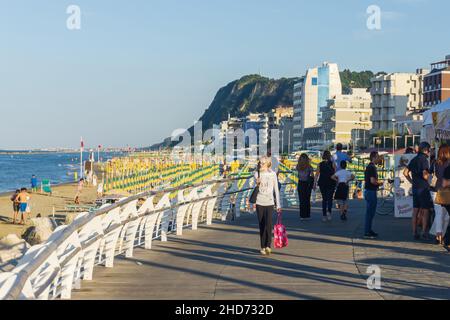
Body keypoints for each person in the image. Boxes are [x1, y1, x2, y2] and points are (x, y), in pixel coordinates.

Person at [403, 142, 433, 240]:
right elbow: (425, 175)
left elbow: (405, 172)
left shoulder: (414, 159)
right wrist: (430, 177)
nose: (429, 152)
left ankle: (414, 232)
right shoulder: (424, 160)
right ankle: (424, 232)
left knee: (415, 211)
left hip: (415, 188)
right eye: (429, 150)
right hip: (423, 188)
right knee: (425, 211)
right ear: (425, 150)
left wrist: (411, 181)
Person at [254, 156, 281, 256]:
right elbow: (255, 184)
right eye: (260, 162)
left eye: (263, 163)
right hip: (259, 201)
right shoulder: (257, 173)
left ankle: (268, 245)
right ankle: (262, 246)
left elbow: (276, 190)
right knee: (261, 224)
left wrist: (278, 204)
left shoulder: (273, 174)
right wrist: (257, 182)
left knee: (268, 224)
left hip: (269, 202)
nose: (261, 164)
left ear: (268, 163)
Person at [431, 144, 450, 245]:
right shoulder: (448, 163)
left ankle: (439, 234)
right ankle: (440, 235)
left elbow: (429, 174)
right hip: (444, 190)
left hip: (436, 189)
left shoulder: (435, 162)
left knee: (441, 214)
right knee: (444, 215)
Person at [364, 151, 383, 239]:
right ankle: (367, 231)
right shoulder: (372, 167)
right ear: (374, 157)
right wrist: (379, 183)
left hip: (368, 191)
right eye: (378, 157)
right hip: (371, 191)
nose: (379, 158)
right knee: (370, 213)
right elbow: (372, 181)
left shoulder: (369, 166)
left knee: (370, 212)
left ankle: (369, 230)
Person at [314, 150, 336, 222]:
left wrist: (314, 184)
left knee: (324, 199)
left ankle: (324, 215)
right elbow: (336, 174)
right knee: (330, 198)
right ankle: (329, 212)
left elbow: (316, 175)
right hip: (331, 182)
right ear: (330, 156)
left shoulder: (319, 164)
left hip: (322, 182)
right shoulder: (333, 164)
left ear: (323, 156)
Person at [297, 153, 314, 221]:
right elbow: (312, 175)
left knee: (301, 200)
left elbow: (298, 175)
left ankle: (302, 215)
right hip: (307, 184)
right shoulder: (309, 167)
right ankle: (307, 215)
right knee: (307, 199)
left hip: (300, 183)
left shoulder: (298, 166)